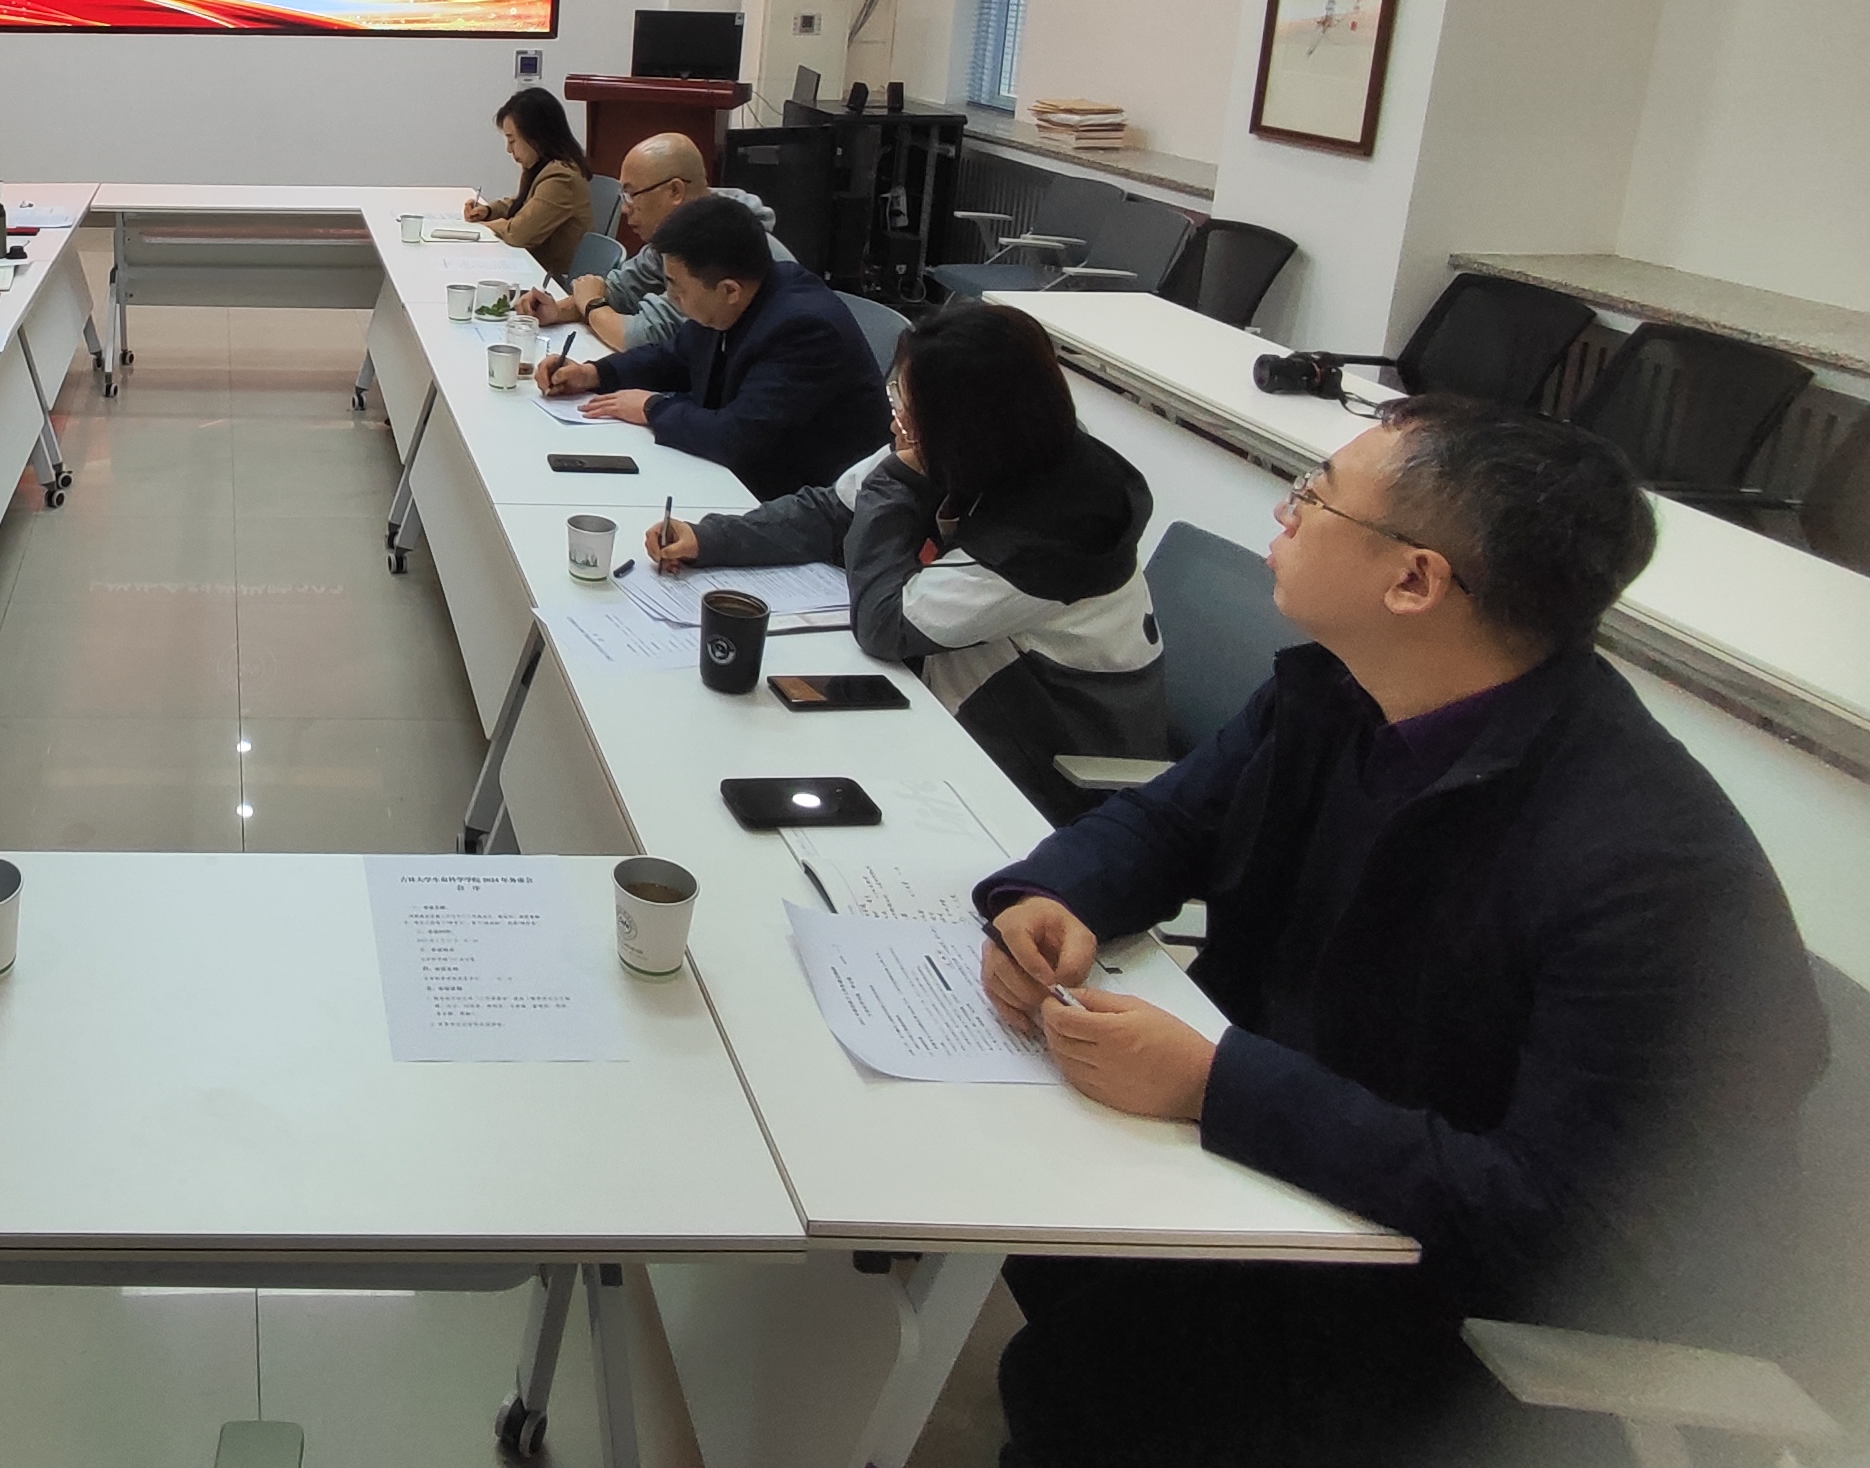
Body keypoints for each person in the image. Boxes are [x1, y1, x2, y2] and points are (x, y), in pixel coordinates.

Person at [973, 396, 1827, 1468]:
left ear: (1415, 581)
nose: (1283, 514)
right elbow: (1174, 820)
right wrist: (1051, 896)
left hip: (1468, 1317)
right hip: (1313, 1185)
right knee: (1043, 1262)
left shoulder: (1648, 865)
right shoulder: (1342, 692)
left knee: (1086, 1376)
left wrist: (1214, 1087)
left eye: (1314, 497)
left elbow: (1566, 1229)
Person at [646, 303, 1162, 817]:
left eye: (908, 408)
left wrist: (896, 479)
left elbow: (885, 627)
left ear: (966, 422)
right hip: (948, 694)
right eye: (898, 396)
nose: (896, 422)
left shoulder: (1052, 535)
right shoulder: (982, 445)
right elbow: (833, 511)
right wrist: (709, 538)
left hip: (1040, 758)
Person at [537, 194, 886, 496]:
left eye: (676, 286)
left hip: (799, 500)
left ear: (729, 290)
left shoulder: (805, 330)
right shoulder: (738, 298)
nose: (670, 297)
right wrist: (594, 374)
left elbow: (737, 437)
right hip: (739, 477)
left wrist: (651, 408)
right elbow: (675, 356)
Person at [528, 130, 787, 349]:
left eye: (632, 195)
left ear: (675, 191)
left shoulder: (722, 244)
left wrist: (593, 305)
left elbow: (643, 337)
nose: (625, 209)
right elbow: (622, 289)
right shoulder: (678, 233)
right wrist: (558, 311)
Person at [462, 86, 594, 283]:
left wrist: (488, 226)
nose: (508, 149)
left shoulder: (561, 178)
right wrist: (489, 211)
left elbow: (518, 234)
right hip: (534, 270)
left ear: (535, 137)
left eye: (512, 140)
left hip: (552, 281)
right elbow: (525, 204)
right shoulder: (544, 167)